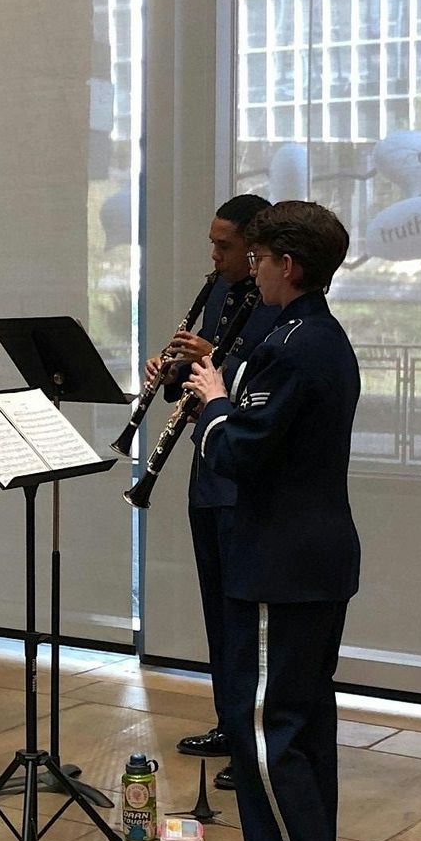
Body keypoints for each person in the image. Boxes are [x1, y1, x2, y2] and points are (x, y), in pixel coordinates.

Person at [184, 200, 360, 841]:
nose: (247, 270)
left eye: (257, 260)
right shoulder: (309, 334)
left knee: (267, 730)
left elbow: (241, 450)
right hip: (310, 557)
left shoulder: (293, 345)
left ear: (288, 265)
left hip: (280, 563)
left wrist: (213, 402)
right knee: (303, 723)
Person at [144, 195, 280, 790]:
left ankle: (252, 740)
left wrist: (216, 361)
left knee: (244, 618)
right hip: (209, 467)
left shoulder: (279, 303)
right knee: (216, 611)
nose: (214, 255)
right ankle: (230, 722)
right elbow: (203, 369)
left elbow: (258, 373)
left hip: (246, 477)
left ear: (256, 250)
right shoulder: (222, 292)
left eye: (224, 245)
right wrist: (173, 367)